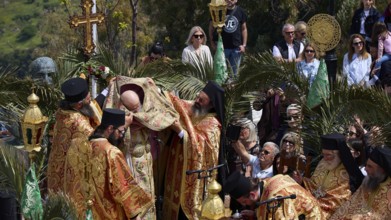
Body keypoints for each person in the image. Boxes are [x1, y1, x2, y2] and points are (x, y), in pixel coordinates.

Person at [103, 76, 180, 220]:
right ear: (122, 106)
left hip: (146, 163)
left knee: (150, 199)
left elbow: (166, 115)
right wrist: (125, 126)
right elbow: (112, 143)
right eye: (133, 109)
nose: (138, 111)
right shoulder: (115, 123)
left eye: (138, 107)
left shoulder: (143, 112)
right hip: (130, 166)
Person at [64, 108, 154, 220]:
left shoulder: (78, 146)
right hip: (108, 215)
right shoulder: (111, 153)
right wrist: (135, 215)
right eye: (120, 131)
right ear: (110, 128)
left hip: (84, 214)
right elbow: (123, 187)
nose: (121, 135)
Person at [162, 81, 224, 219]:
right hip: (177, 172)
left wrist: (180, 131)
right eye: (197, 97)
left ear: (212, 104)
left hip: (194, 181)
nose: (196, 101)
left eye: (201, 100)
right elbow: (179, 103)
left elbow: (200, 149)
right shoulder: (195, 110)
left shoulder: (214, 125)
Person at [47, 77, 97, 192]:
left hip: (56, 168)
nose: (90, 99)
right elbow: (94, 144)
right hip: (72, 176)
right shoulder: (79, 123)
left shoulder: (61, 112)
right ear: (79, 105)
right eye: (88, 98)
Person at [224, 171, 324, 219]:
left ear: (252, 194)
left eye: (244, 202)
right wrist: (255, 215)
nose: (245, 205)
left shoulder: (275, 197)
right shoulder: (266, 183)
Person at [331, 147, 391, 219]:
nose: (365, 169)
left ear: (382, 170)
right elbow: (352, 203)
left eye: (370, 166)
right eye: (366, 165)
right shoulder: (368, 181)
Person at [301, 133, 353, 218]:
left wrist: (313, 203)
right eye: (323, 154)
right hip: (312, 205)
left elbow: (340, 199)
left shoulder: (348, 171)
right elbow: (314, 185)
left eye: (328, 155)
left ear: (339, 154)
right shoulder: (323, 163)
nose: (325, 158)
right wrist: (302, 181)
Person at [208, 0, 247, 75]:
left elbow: (244, 29)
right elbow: (211, 28)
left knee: (234, 75)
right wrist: (212, 43)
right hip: (221, 48)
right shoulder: (218, 10)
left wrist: (244, 45)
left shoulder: (240, 11)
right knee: (220, 74)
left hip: (236, 48)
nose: (229, 0)